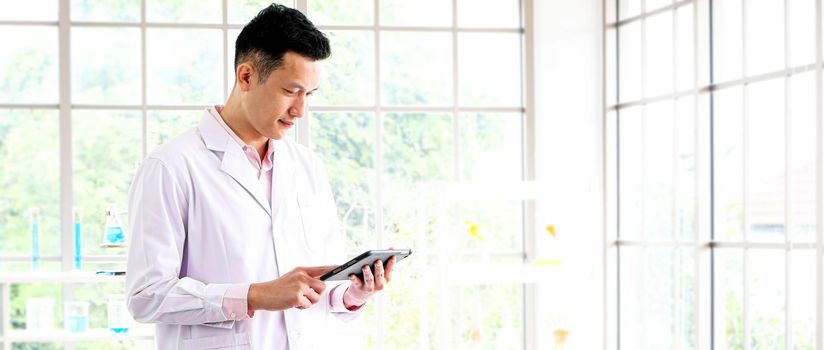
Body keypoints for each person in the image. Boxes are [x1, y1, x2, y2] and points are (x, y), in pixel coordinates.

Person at [125, 4, 395, 349]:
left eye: (308, 95)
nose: (300, 110)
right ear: (247, 76)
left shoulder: (307, 166)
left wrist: (353, 293)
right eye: (289, 91)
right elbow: (146, 296)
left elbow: (320, 290)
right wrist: (254, 296)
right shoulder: (171, 167)